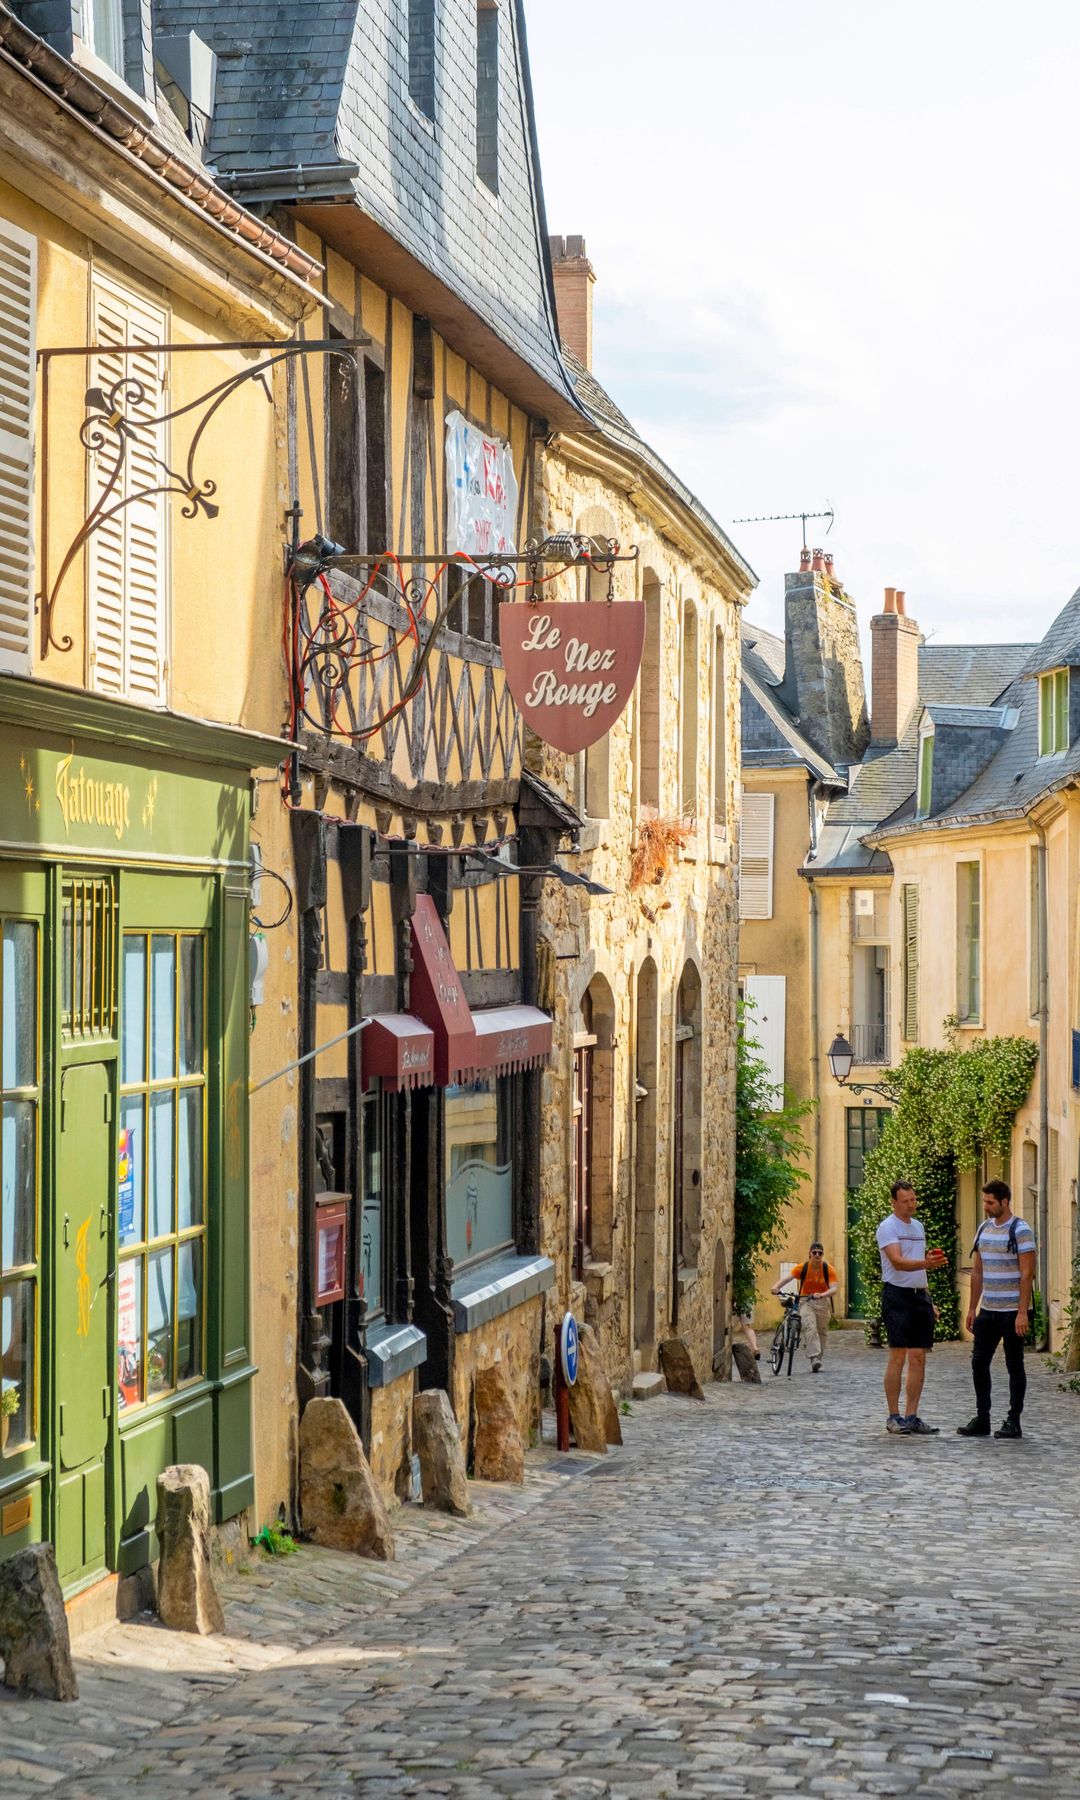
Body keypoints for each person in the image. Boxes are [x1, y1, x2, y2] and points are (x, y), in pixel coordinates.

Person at [957, 1179, 1036, 1440]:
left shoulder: (1021, 1230)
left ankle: (1014, 1420)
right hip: (988, 1309)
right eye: (985, 1201)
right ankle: (983, 1417)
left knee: (1015, 1365)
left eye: (990, 1202)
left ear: (1004, 1201)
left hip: (1013, 1311)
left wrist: (1022, 1312)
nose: (986, 1206)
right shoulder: (983, 1229)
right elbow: (978, 1271)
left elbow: (1027, 1274)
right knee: (979, 1362)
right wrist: (972, 1308)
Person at [875, 1180, 947, 1435]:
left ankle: (912, 1415)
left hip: (919, 1296)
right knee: (898, 1355)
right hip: (896, 1295)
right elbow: (897, 1262)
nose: (911, 1205)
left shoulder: (918, 1227)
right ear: (893, 1202)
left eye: (913, 1199)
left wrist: (929, 1299)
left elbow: (918, 1265)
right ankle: (893, 1415)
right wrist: (926, 1264)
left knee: (918, 1357)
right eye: (905, 1201)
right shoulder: (887, 1227)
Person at [770, 1243, 837, 1372]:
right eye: (814, 1252)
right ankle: (814, 1358)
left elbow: (834, 1289)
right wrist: (776, 1287)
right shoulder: (803, 1268)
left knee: (822, 1332)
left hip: (822, 1302)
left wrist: (822, 1294)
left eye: (820, 1253)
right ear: (810, 1254)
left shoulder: (828, 1269)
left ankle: (818, 1358)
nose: (817, 1255)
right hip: (806, 1300)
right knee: (810, 1326)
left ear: (822, 1255)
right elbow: (787, 1279)